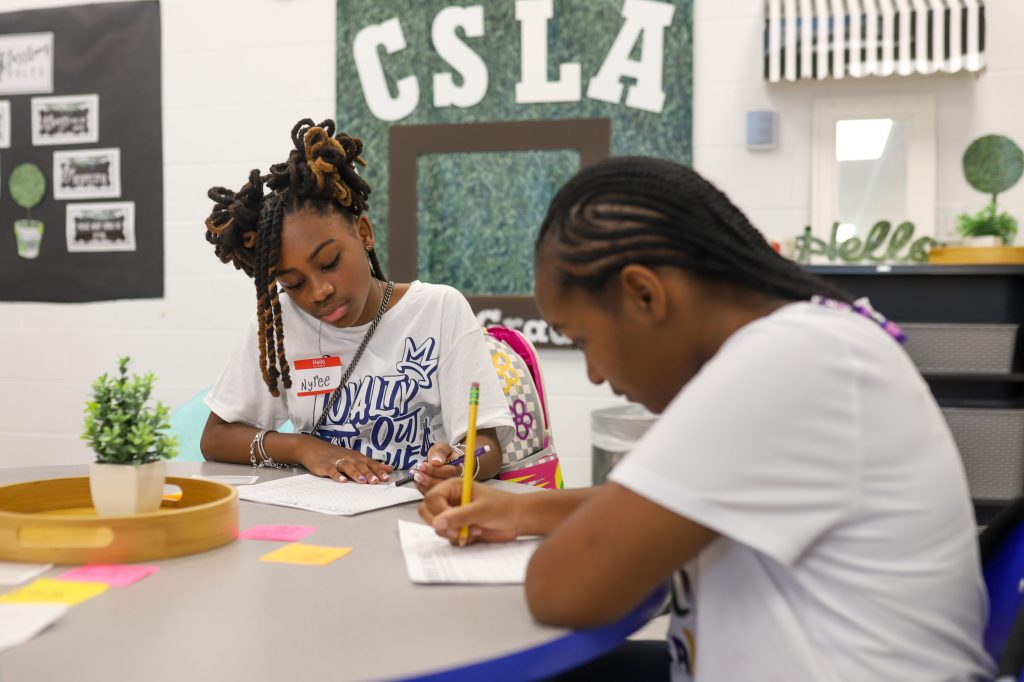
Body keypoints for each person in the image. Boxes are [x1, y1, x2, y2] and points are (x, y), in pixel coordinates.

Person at [420, 157, 994, 680]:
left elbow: (563, 590)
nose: (592, 374)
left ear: (644, 294)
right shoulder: (813, 341)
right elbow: (671, 502)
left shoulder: (782, 363)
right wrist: (522, 509)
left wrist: (532, 520)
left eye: (584, 340)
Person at [200, 118, 510, 492]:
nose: (318, 292)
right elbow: (215, 438)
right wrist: (303, 447)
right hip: (323, 520)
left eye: (329, 262)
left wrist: (460, 466)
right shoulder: (279, 322)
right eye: (293, 283)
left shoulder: (439, 310)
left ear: (363, 233)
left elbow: (489, 449)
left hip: (418, 511)